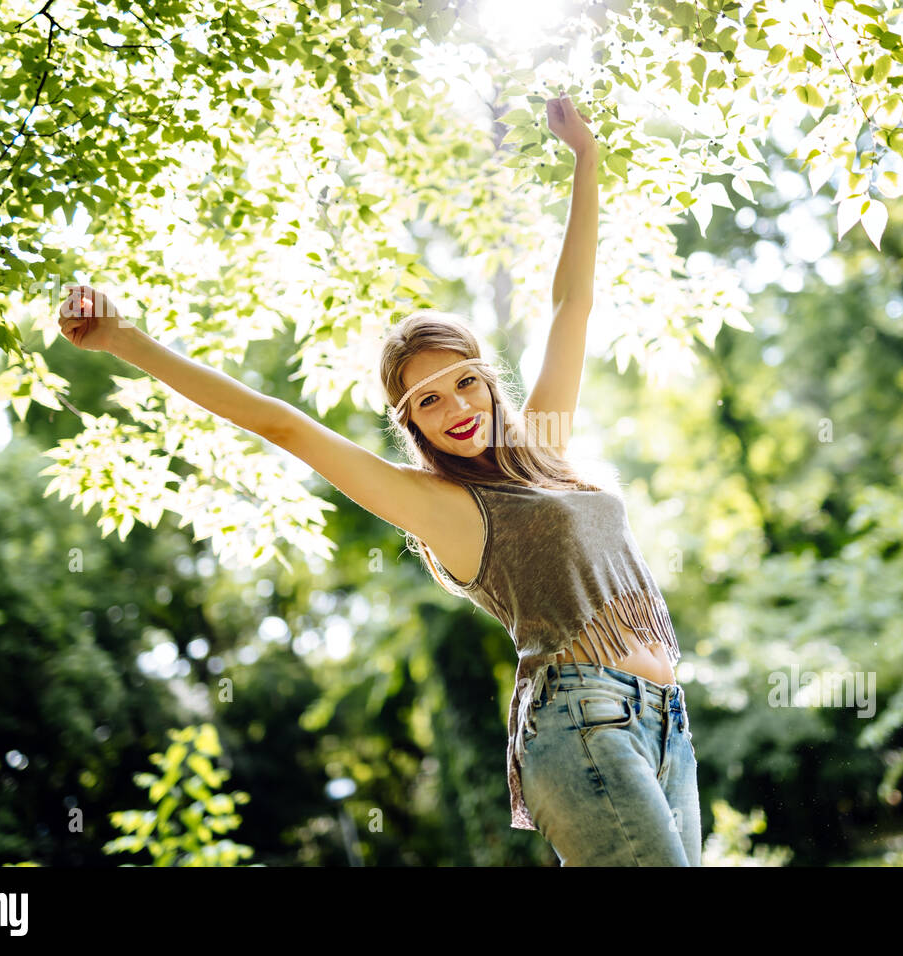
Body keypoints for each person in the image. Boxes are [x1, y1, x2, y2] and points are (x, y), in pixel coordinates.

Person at [55, 93, 701, 866]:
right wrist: (126, 341)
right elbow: (281, 424)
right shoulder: (442, 506)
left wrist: (585, 160)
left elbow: (572, 305)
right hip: (581, 724)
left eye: (463, 382)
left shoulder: (548, 448)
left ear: (487, 380)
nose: (454, 407)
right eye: (426, 402)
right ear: (413, 426)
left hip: (668, 718)